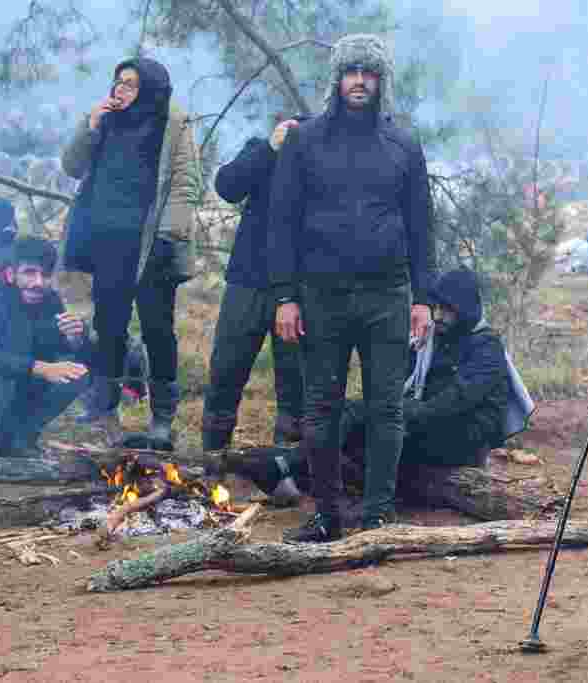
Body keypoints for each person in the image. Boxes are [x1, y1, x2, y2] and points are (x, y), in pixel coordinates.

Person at [266, 33, 436, 541]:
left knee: (387, 407)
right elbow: (282, 223)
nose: (359, 81)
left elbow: (421, 225)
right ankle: (326, 517)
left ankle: (378, 516)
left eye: (368, 72)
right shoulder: (305, 140)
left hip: (388, 295)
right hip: (321, 297)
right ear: (336, 79)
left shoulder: (402, 143)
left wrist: (423, 298)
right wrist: (284, 296)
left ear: (381, 81)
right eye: (350, 72)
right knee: (321, 408)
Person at [241, 267, 521, 504]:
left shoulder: (486, 348)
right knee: (357, 428)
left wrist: (396, 413)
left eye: (446, 310)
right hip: (428, 421)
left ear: (464, 309)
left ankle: (286, 465)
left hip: (462, 438)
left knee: (368, 423)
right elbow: (401, 381)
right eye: (437, 308)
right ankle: (295, 473)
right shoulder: (436, 337)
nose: (437, 316)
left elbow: (455, 401)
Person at [60, 57, 200, 448]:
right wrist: (88, 125)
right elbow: (71, 167)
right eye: (118, 81)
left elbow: (186, 183)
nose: (120, 90)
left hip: (152, 245)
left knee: (157, 331)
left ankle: (162, 417)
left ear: (150, 89)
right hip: (108, 242)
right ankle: (105, 403)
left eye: (130, 84)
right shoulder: (105, 121)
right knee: (109, 326)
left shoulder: (172, 124)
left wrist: (167, 238)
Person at [201, 113, 306, 454]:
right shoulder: (261, 151)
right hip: (248, 282)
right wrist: (270, 148)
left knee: (296, 387)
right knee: (225, 374)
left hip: (299, 290)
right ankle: (213, 461)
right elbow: (227, 186)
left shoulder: (327, 161)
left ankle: (286, 469)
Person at [0, 237, 90, 457]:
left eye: (45, 275)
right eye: (29, 272)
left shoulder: (50, 299)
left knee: (77, 373)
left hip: (22, 391)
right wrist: (41, 367)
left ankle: (20, 440)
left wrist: (75, 338)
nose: (38, 283)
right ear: (10, 273)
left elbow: (60, 349)